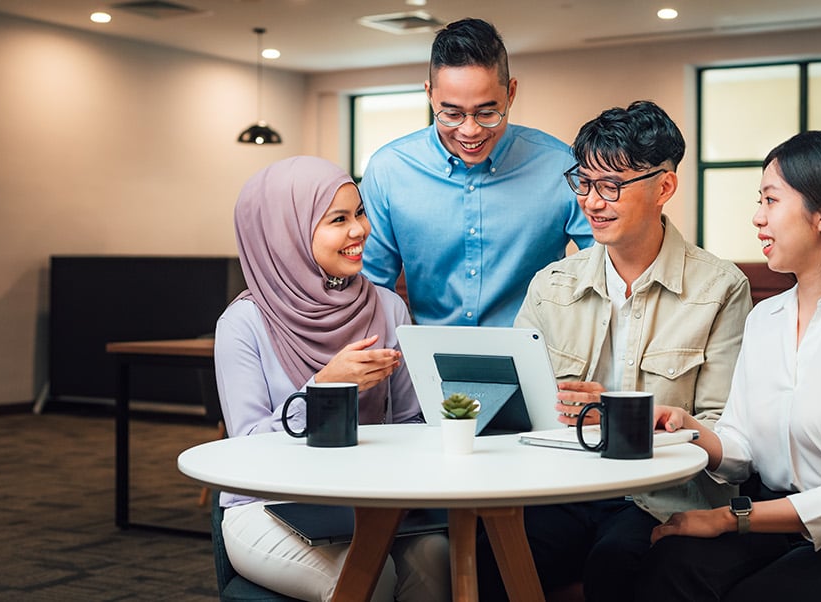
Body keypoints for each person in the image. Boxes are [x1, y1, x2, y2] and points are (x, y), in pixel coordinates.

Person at [475, 101, 752, 601]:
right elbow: (510, 414)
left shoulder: (719, 287)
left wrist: (617, 415)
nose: (592, 202)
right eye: (583, 182)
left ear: (664, 187)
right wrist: (548, 405)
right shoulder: (551, 285)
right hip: (562, 489)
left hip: (660, 496)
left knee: (616, 564)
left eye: (611, 186)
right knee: (487, 551)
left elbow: (725, 435)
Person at [638, 131, 821, 602]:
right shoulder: (765, 319)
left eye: (770, 200)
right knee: (670, 566)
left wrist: (726, 518)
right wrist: (690, 428)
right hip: (771, 520)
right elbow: (742, 447)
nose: (757, 217)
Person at [214, 156, 449, 602]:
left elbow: (413, 421)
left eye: (360, 213)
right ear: (286, 233)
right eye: (338, 219)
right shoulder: (243, 323)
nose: (360, 230)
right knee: (367, 580)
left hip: (368, 503)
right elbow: (244, 446)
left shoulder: (387, 307)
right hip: (266, 507)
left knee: (439, 558)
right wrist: (324, 388)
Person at [360, 18, 592, 327]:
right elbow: (371, 285)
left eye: (486, 112)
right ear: (429, 94)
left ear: (511, 93)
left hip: (537, 355)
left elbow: (605, 265)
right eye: (452, 113)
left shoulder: (560, 164)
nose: (470, 130)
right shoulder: (388, 170)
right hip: (427, 359)